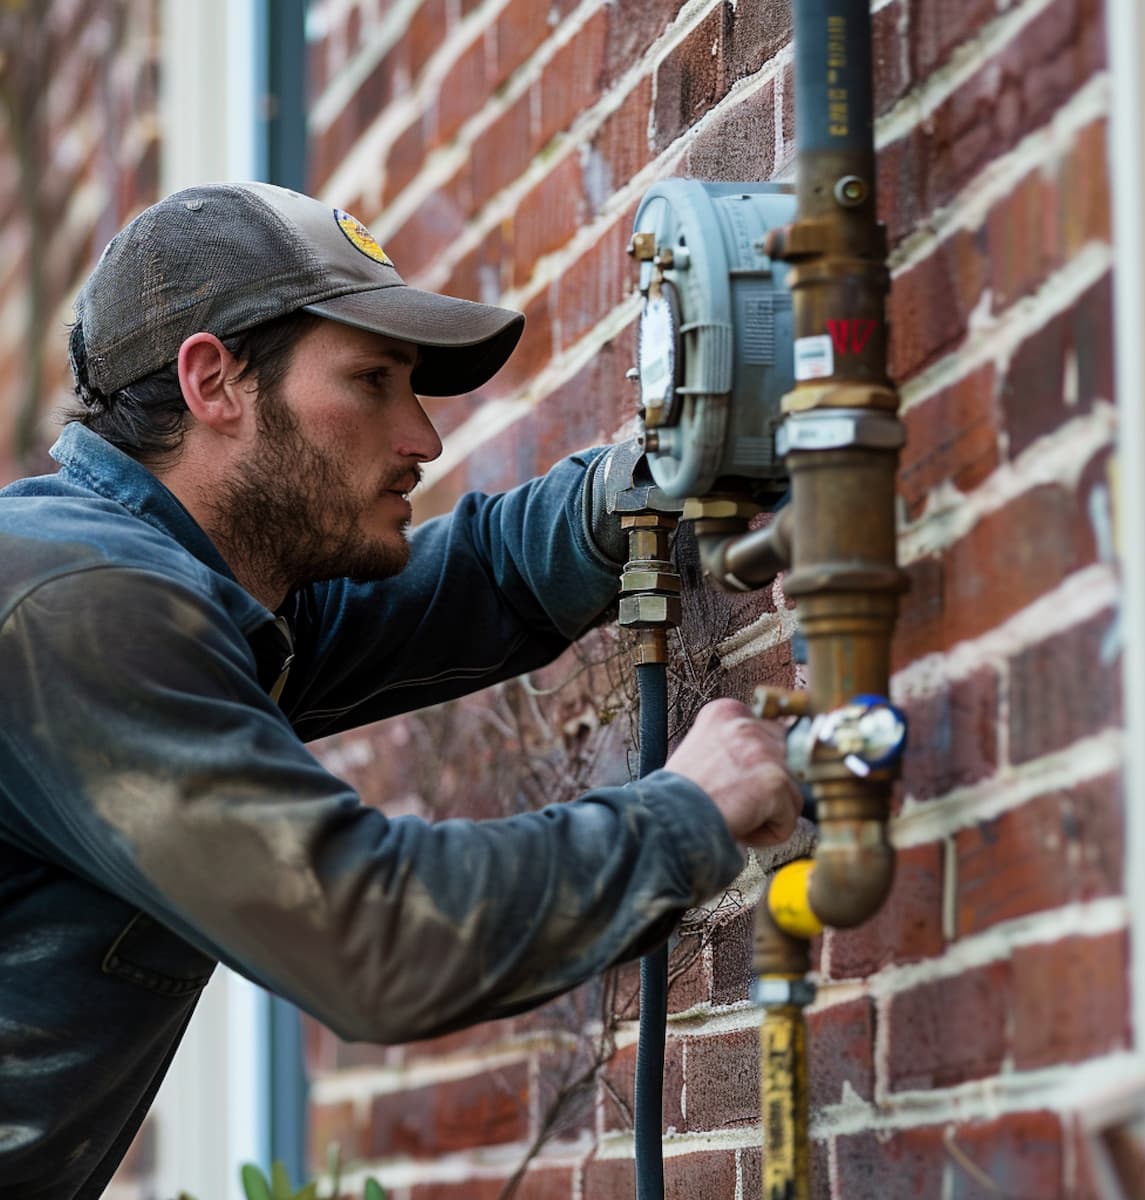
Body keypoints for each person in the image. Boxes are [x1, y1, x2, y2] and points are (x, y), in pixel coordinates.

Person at [0, 182, 803, 1199]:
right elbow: (374, 939)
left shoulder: (172, 585)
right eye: (372, 380)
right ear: (215, 383)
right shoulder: (84, 607)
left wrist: (636, 485)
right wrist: (690, 811)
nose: (421, 435)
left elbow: (466, 585)